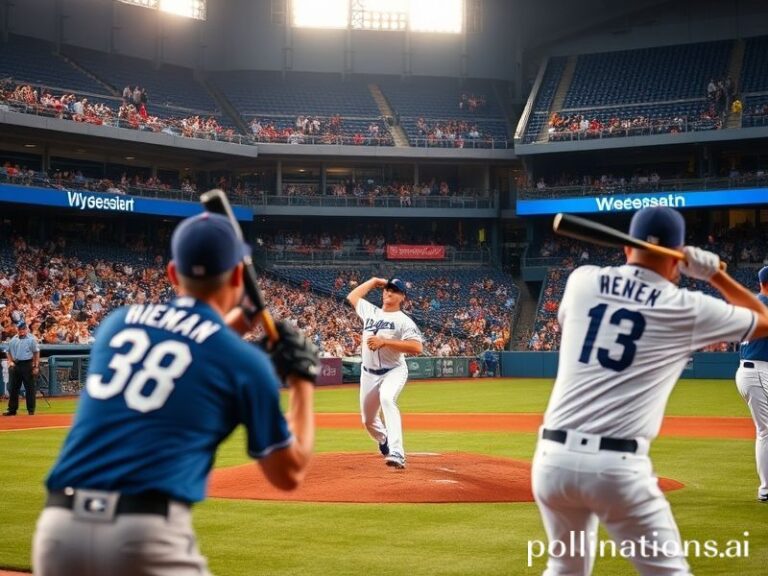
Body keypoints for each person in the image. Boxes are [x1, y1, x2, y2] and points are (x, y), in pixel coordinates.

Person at [33, 212, 319, 576]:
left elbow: (187, 345)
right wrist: (303, 379)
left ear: (172, 273)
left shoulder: (117, 325)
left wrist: (240, 321)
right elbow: (288, 473)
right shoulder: (245, 363)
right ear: (236, 276)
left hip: (58, 532)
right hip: (145, 538)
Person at [531, 206, 768, 575]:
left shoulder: (582, 280)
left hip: (552, 462)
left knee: (564, 567)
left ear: (628, 249)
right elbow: (764, 321)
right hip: (615, 470)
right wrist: (716, 276)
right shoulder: (686, 306)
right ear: (677, 258)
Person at [346, 277, 423, 469]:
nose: (389, 292)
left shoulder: (404, 321)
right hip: (368, 374)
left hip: (393, 371)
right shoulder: (370, 311)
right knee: (368, 421)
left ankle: (397, 453)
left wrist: (385, 342)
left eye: (395, 290)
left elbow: (416, 347)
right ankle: (384, 440)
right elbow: (352, 295)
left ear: (402, 297)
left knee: (388, 399)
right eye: (388, 289)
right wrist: (373, 281)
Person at [735, 265, 768, 503]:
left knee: (764, 431)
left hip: (750, 370)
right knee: (765, 431)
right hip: (758, 370)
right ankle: (766, 489)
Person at [3, 320, 41, 416]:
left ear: (26, 329)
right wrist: (10, 361)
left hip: (27, 364)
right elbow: (8, 352)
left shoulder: (31, 339)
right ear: (17, 329)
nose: (22, 331)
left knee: (30, 388)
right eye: (20, 329)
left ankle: (31, 410)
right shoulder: (13, 340)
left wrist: (36, 366)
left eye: (23, 329)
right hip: (16, 364)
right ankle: (12, 410)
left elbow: (36, 353)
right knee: (13, 388)